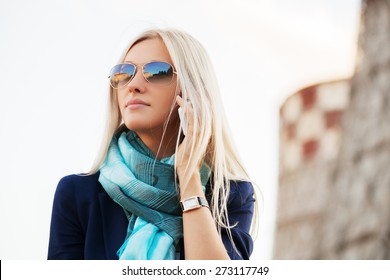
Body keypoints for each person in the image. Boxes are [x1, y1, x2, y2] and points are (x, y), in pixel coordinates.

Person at [48, 27, 257, 260]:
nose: (133, 85)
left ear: (191, 92)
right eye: (124, 72)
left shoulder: (230, 195)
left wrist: (189, 177)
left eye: (157, 72)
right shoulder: (78, 194)